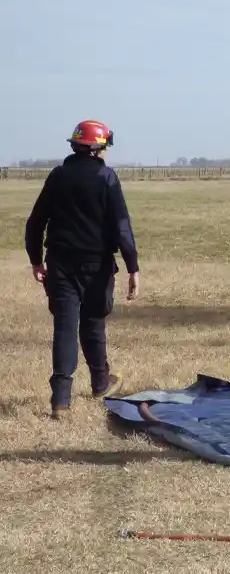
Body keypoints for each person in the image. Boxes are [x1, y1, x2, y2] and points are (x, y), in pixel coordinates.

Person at [24, 120, 139, 421]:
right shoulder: (106, 177)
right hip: (96, 265)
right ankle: (100, 383)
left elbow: (35, 223)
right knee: (93, 322)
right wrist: (133, 267)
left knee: (65, 326)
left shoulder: (57, 176)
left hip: (60, 263)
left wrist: (36, 260)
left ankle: (60, 399)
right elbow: (121, 227)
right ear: (98, 148)